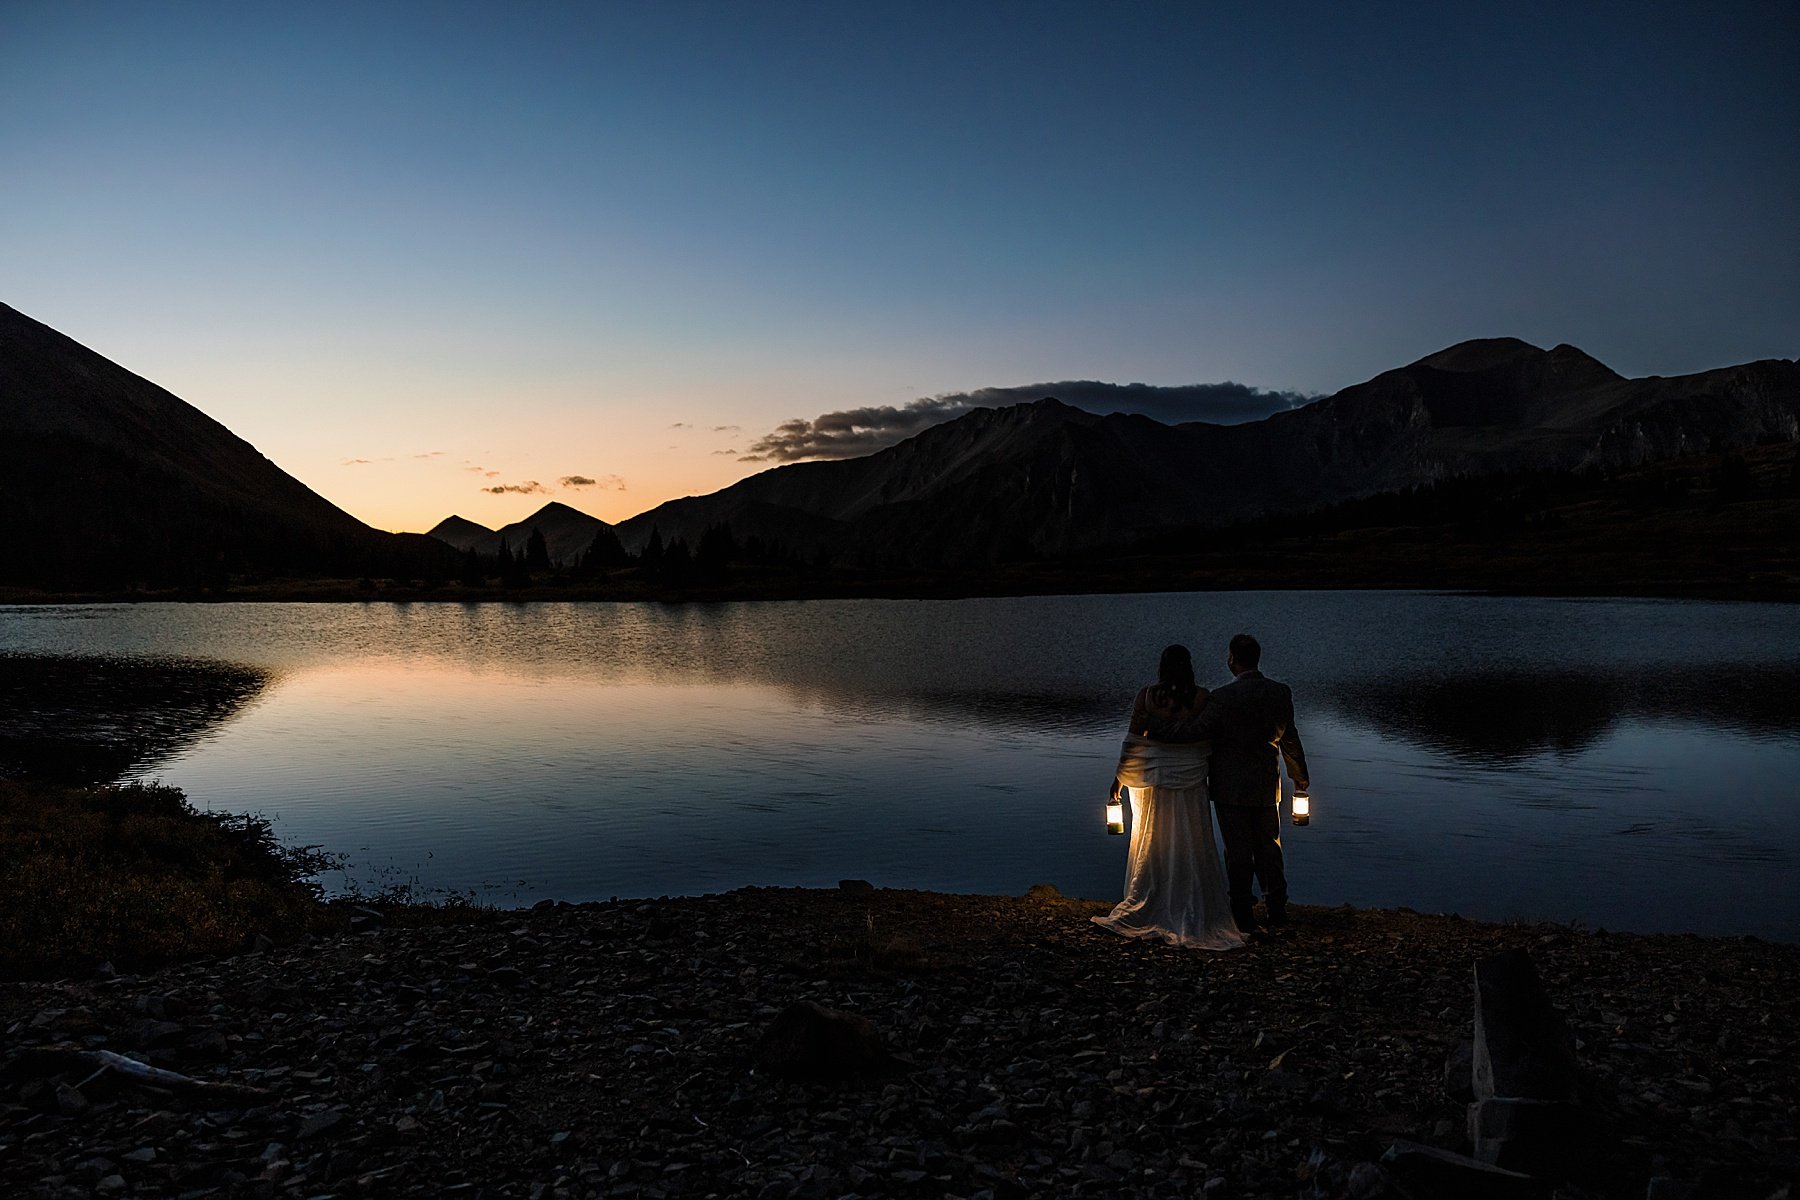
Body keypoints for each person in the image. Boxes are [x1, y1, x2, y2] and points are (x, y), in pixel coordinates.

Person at [1143, 633, 1310, 934]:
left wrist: (1156, 730)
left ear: (1232, 660)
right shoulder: (1280, 692)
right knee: (1270, 846)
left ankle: (1243, 912)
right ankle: (1276, 908)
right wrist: (1299, 776)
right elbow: (1290, 738)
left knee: (1238, 851)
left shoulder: (1221, 697)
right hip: (1265, 784)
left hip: (1229, 786)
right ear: (1257, 659)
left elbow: (1197, 731)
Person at [1091, 645, 1245, 951]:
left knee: (1153, 837)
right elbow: (1206, 736)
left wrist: (1119, 778)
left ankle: (1153, 898)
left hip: (1153, 778)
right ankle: (1189, 902)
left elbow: (1133, 740)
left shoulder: (1147, 696)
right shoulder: (1202, 697)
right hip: (1189, 778)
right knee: (1190, 838)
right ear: (1189, 666)